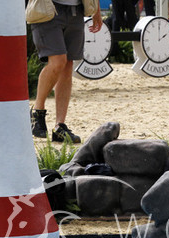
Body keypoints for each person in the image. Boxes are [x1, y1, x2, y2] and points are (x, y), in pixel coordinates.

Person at [30, 0, 103, 144]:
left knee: (67, 65)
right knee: (58, 61)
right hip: (47, 9)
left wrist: (96, 11)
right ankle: (37, 111)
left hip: (76, 10)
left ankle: (60, 126)